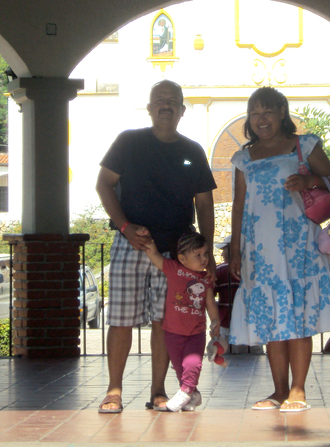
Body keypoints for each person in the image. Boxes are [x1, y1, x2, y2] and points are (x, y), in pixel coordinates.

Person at [95, 79, 217, 413]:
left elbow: (205, 204)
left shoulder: (193, 151)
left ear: (182, 110)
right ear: (149, 108)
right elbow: (103, 185)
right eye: (158, 100)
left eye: (172, 101)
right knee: (120, 319)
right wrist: (124, 226)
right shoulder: (128, 142)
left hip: (177, 253)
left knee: (166, 322)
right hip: (130, 245)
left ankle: (159, 390)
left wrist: (206, 255)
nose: (165, 105)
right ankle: (114, 390)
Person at [229, 86, 330, 413]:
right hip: (259, 249)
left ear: (282, 112)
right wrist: (236, 250)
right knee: (273, 320)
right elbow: (238, 206)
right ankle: (278, 390)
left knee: (299, 315)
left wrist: (309, 181)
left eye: (267, 111)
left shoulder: (304, 145)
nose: (261, 119)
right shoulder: (242, 159)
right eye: (254, 113)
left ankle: (298, 389)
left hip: (301, 244)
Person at [140, 230, 221, 411]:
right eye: (197, 255)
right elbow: (154, 255)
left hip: (196, 332)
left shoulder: (205, 279)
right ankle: (193, 394)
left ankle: (185, 392)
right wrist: (148, 241)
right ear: (182, 259)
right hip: (172, 331)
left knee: (192, 363)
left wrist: (215, 322)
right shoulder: (173, 269)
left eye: (206, 254)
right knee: (179, 367)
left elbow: (210, 303)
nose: (204, 259)